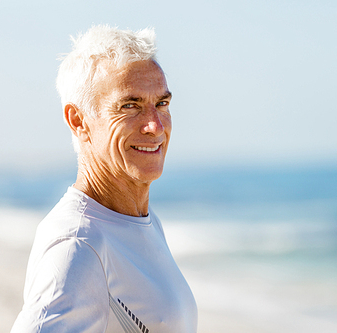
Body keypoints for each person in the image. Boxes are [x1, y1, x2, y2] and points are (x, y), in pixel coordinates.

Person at [11, 25, 197, 333]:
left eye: (162, 103)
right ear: (78, 120)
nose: (155, 125)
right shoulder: (77, 245)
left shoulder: (141, 222)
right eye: (130, 106)